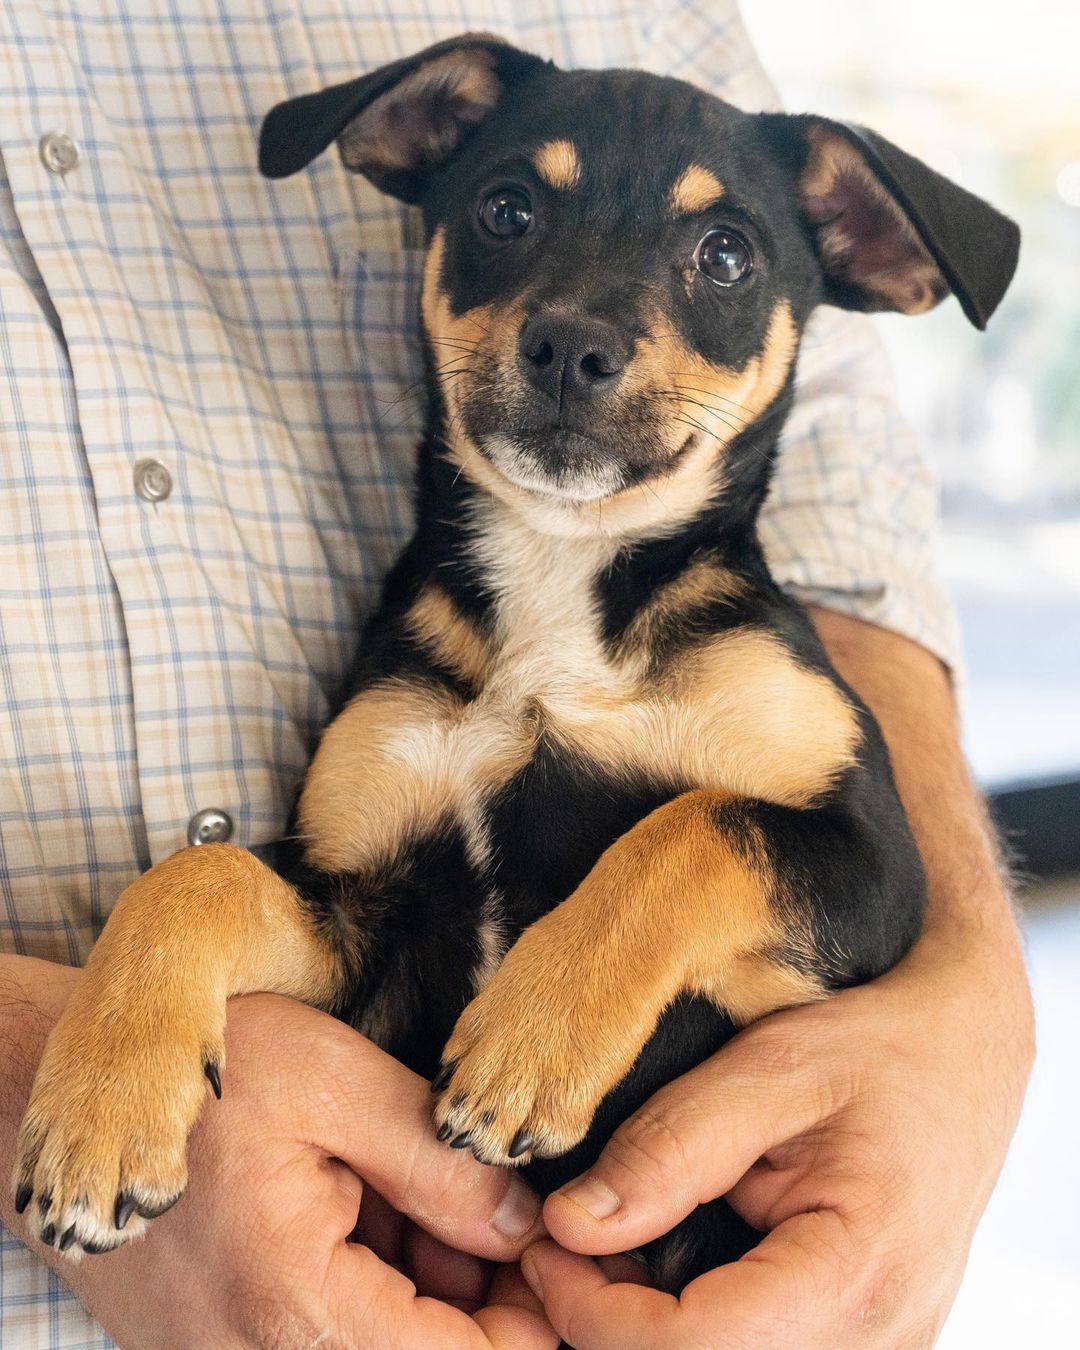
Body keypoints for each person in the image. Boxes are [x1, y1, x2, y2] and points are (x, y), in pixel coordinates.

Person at [0, 3, 1033, 1346]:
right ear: (414, 162)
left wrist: (973, 1040)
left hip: (706, 1294)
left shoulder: (747, 665)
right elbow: (332, 932)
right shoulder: (414, 676)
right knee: (219, 890)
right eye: (508, 217)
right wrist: (145, 961)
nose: (577, 325)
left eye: (719, 253)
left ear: (846, 276)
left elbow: (868, 873)